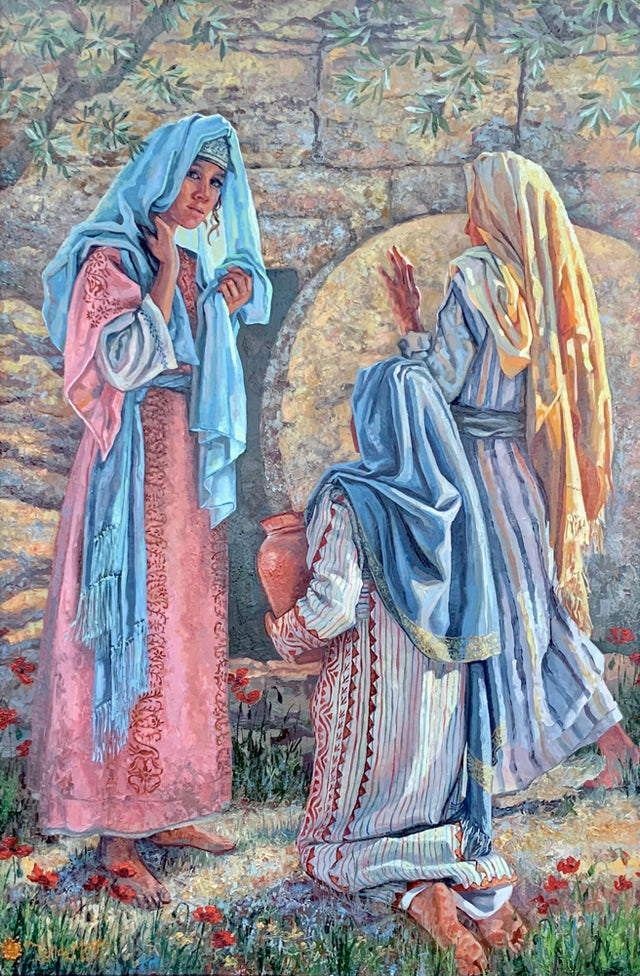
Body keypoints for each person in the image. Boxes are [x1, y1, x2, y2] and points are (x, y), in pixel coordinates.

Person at [28, 113, 271, 908]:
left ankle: (167, 807)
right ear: (163, 175)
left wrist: (222, 304)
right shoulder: (111, 257)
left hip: (183, 472)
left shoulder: (192, 258)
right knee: (130, 629)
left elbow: (199, 361)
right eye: (194, 178)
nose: (205, 196)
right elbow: (124, 365)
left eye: (216, 184)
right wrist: (167, 279)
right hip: (128, 472)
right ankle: (118, 834)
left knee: (180, 634)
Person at [379, 150, 637, 794]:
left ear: (493, 208)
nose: (469, 223)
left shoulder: (473, 277)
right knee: (538, 606)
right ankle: (614, 743)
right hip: (518, 469)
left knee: (501, 610)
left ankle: (508, 762)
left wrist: (409, 323)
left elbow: (442, 381)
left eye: (476, 204)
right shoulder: (538, 284)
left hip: (474, 470)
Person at [267, 358, 525, 976]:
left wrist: (284, 633)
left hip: (372, 720)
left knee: (327, 850)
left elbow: (330, 610)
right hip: (442, 731)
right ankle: (472, 900)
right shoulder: (457, 503)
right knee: (437, 825)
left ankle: (417, 896)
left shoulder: (347, 496)